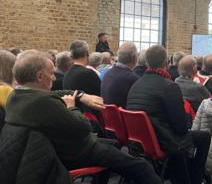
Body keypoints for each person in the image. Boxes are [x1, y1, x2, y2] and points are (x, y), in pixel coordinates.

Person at [5, 50, 161, 184]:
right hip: (78, 151)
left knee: (115, 144)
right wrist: (72, 107)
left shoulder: (17, 97)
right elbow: (83, 127)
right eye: (51, 73)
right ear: (39, 76)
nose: (53, 78)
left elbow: (57, 93)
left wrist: (80, 95)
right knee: (141, 166)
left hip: (62, 148)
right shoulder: (43, 102)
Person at [127, 45, 210, 184]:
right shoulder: (169, 86)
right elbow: (180, 128)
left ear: (147, 62)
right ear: (166, 62)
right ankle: (195, 179)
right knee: (204, 137)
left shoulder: (137, 84)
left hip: (138, 140)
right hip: (160, 141)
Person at [63, 40, 102, 114]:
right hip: (88, 118)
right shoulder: (88, 73)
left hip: (73, 113)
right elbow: (101, 97)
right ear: (87, 53)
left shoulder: (68, 72)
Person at [101, 42, 139, 108]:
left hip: (107, 116)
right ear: (135, 58)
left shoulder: (108, 73)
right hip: (122, 117)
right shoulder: (133, 79)